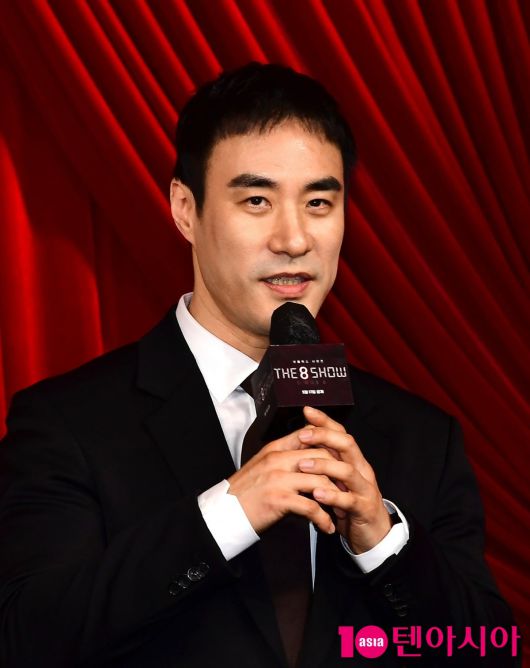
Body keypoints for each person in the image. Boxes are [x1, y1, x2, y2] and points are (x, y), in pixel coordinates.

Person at [0, 63, 517, 667]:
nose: (294, 239)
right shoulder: (67, 424)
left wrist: (381, 540)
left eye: (319, 202)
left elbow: (490, 652)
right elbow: (24, 641)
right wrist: (230, 514)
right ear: (185, 209)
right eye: (256, 200)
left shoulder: (422, 436)